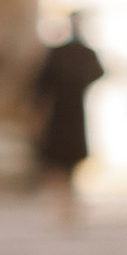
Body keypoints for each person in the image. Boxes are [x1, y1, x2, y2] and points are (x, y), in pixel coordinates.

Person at [31, 12, 105, 229]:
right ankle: (63, 203)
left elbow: (97, 72)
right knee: (58, 161)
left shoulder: (80, 53)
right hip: (61, 112)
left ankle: (69, 203)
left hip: (73, 111)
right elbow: (41, 85)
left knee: (69, 159)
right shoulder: (59, 54)